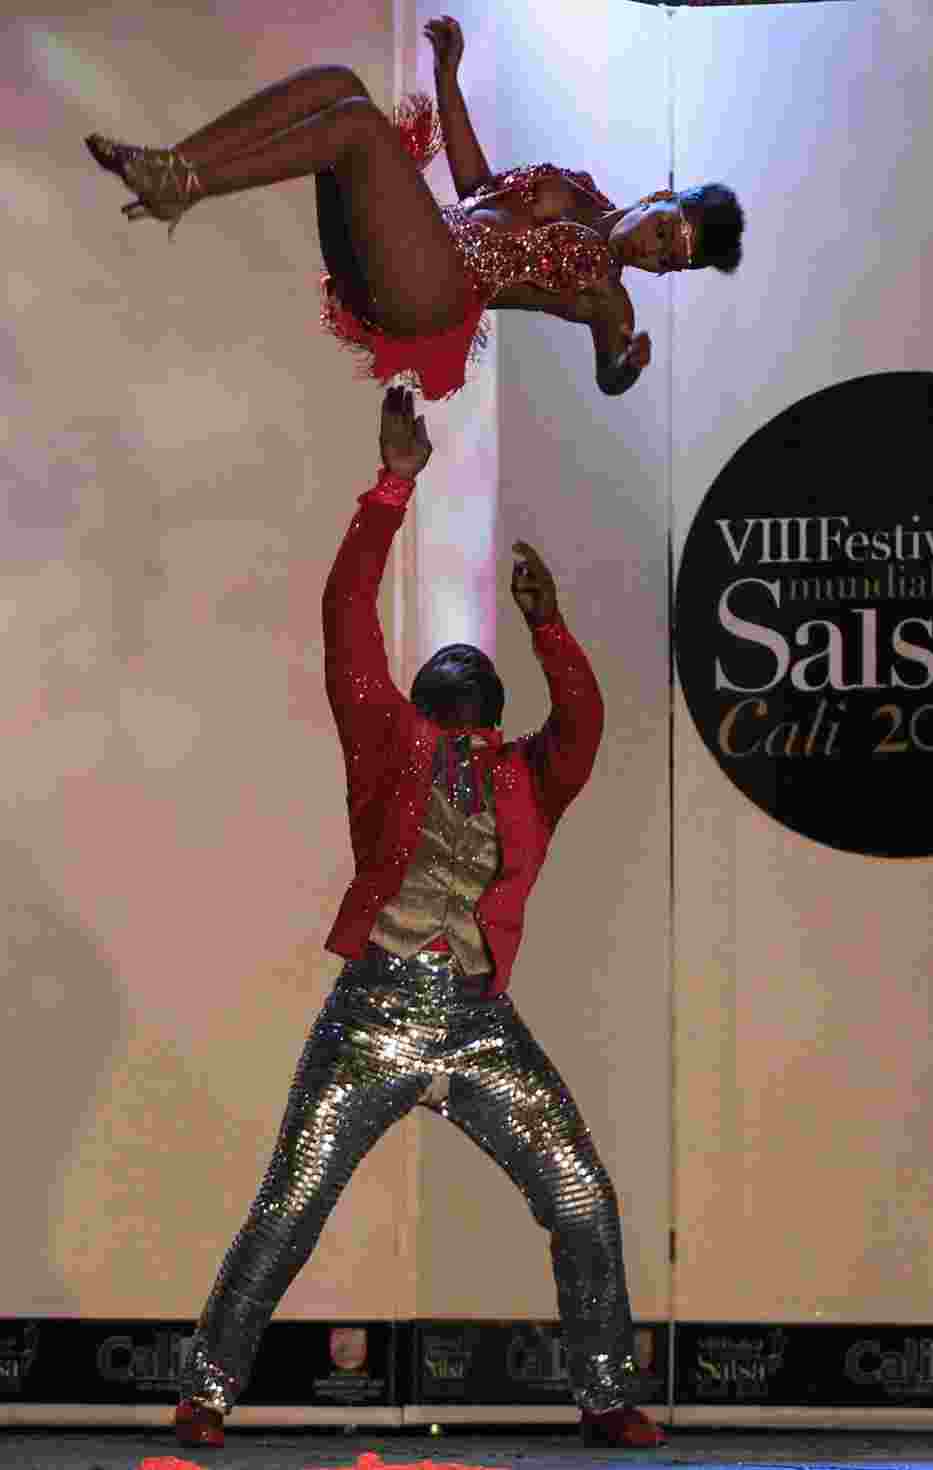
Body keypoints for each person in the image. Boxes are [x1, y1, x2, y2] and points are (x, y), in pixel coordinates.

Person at [172, 388, 665, 1451]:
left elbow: (582, 722)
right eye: (449, 670)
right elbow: (347, 616)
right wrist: (390, 488)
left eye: (473, 677)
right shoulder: (387, 749)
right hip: (372, 1018)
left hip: (483, 1023)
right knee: (292, 1203)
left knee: (580, 1195)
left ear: (486, 707)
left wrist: (546, 625)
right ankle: (207, 1389)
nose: (457, 672)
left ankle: (604, 1393)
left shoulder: (529, 776)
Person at [84, 16, 743, 400]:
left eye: (666, 263)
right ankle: (177, 169)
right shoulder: (577, 186)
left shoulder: (608, 298)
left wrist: (624, 366)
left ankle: (188, 185)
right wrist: (447, 79)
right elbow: (477, 185)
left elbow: (609, 372)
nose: (650, 253)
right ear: (659, 197)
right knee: (340, 88)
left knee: (358, 127)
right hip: (398, 247)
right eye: (664, 234)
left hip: (429, 295)